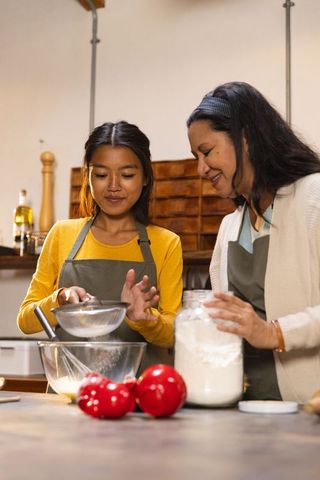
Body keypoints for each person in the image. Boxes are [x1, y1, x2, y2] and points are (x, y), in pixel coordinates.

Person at [187, 81, 320, 403]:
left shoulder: (313, 198)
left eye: (207, 151)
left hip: (307, 407)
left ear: (245, 138)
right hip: (246, 406)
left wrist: (271, 332)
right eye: (196, 156)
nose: (201, 168)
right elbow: (223, 319)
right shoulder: (230, 226)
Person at [18, 121, 183, 367]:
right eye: (102, 175)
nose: (114, 186)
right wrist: (61, 299)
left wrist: (144, 318)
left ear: (146, 177)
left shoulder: (166, 243)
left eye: (127, 175)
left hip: (141, 397)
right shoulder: (62, 234)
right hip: (72, 392)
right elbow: (26, 320)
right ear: (88, 176)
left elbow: (174, 336)